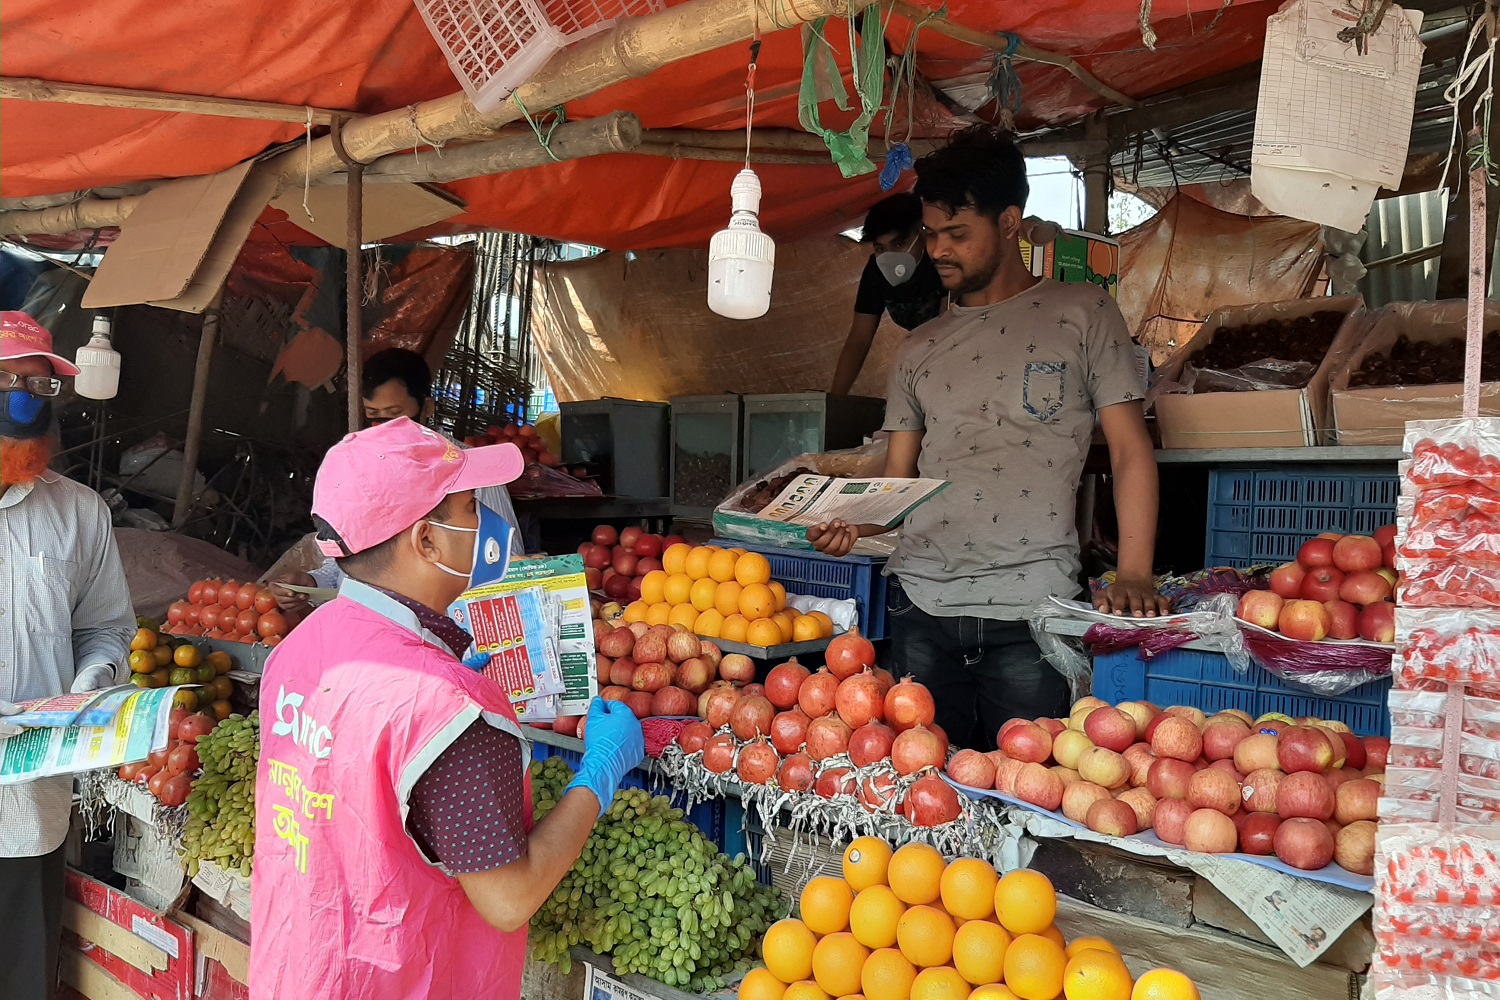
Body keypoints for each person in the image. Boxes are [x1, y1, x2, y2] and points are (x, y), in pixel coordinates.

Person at [250, 417, 644, 1000]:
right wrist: (598, 776)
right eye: (466, 510)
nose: (484, 524)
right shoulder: (443, 708)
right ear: (425, 541)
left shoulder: (301, 645)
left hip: (300, 972)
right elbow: (510, 897)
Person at [809, 128, 1167, 749]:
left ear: (1008, 222)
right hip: (920, 604)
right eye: (932, 235)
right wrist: (856, 524)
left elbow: (1133, 451)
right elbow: (897, 482)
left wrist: (1135, 571)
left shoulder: (1082, 314)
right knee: (927, 795)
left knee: (1027, 802)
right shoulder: (918, 346)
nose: (939, 251)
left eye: (957, 235)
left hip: (1032, 609)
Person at [0, 312, 135, 1000]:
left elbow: (107, 628)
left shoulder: (82, 514)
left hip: (27, 807)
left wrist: (91, 680)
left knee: (22, 981)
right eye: (6, 379)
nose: (22, 395)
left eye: (37, 385)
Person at [270, 347, 523, 609]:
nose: (384, 428)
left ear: (426, 407)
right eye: (372, 416)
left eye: (394, 415)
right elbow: (360, 564)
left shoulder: (474, 469)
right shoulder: (364, 471)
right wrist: (314, 583)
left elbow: (512, 563)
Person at [829, 193, 1062, 396]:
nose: (889, 256)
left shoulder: (944, 261)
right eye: (880, 248)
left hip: (980, 346)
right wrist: (835, 402)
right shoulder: (876, 272)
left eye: (900, 243)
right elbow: (859, 341)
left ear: (922, 233)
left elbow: (945, 332)